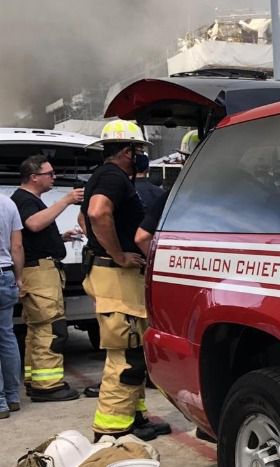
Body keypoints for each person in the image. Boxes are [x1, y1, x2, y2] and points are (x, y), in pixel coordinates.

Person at [82, 119, 169, 441]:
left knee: (136, 349)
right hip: (115, 275)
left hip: (110, 274)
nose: (142, 156)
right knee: (126, 355)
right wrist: (118, 254)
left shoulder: (103, 176)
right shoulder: (113, 177)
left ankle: (135, 417)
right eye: (139, 150)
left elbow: (84, 216)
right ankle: (112, 431)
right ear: (128, 151)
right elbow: (96, 213)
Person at [12, 155, 84, 402]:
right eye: (50, 173)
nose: (54, 177)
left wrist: (60, 238)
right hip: (39, 273)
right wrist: (66, 200)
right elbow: (33, 224)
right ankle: (49, 386)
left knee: (36, 329)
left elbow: (34, 234)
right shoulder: (24, 200)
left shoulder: (28, 200)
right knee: (50, 327)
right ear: (34, 177)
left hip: (39, 269)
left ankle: (36, 380)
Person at [0, 193, 23, 419]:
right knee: (6, 336)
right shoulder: (8, 203)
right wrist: (18, 277)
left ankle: (0, 404)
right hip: (6, 273)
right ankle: (13, 396)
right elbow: (16, 246)